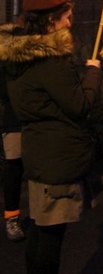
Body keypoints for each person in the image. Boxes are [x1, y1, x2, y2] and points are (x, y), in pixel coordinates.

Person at [0, 0, 102, 272]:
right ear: (50, 21)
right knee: (50, 236)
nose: (70, 22)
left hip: (38, 151)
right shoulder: (50, 61)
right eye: (67, 17)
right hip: (57, 155)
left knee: (40, 230)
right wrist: (93, 73)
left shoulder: (17, 58)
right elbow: (79, 106)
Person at [1, 63, 25, 241]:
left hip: (32, 119)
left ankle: (41, 215)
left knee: (35, 168)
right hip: (13, 119)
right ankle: (11, 218)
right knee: (13, 170)